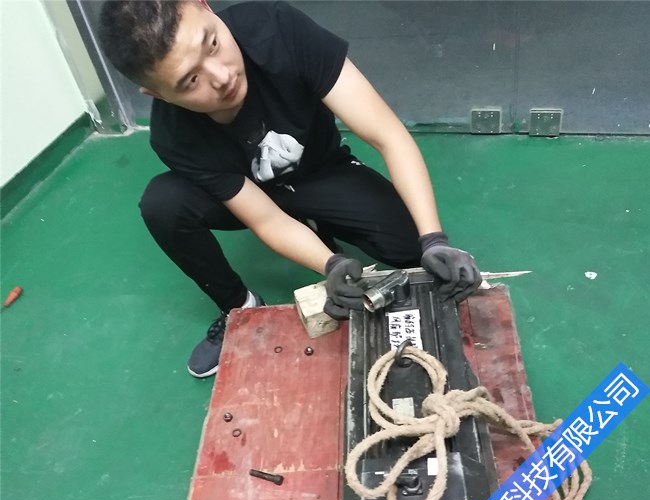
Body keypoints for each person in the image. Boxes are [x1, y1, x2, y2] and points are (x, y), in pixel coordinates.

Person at [98, 0, 481, 378]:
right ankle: (239, 307)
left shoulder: (277, 29)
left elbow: (388, 135)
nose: (221, 76)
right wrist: (330, 265)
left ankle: (322, 222)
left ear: (206, 5)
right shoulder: (173, 136)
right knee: (164, 203)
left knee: (409, 247)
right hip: (251, 194)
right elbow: (266, 218)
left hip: (321, 171)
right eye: (191, 81)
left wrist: (433, 239)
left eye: (212, 44)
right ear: (157, 94)